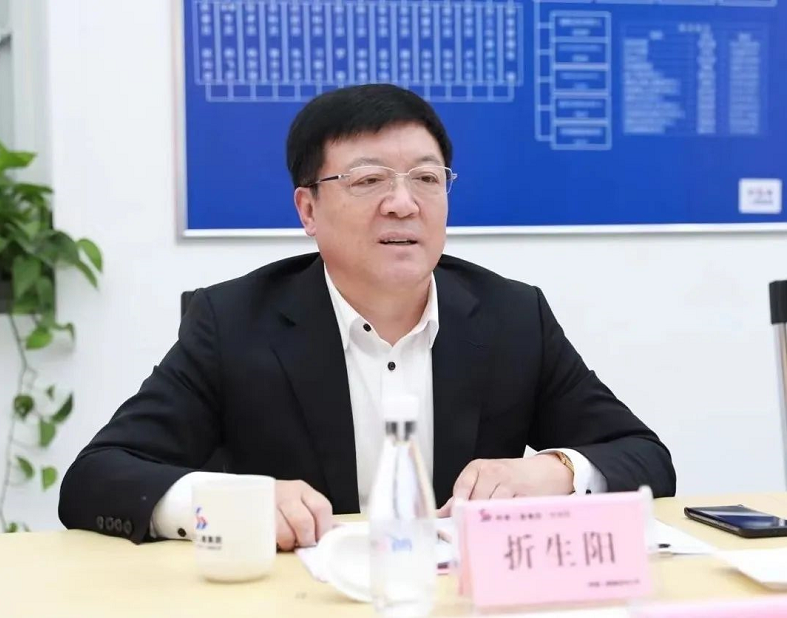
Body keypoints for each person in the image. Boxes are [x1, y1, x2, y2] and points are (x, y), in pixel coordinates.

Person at [59, 84, 676, 549]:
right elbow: (95, 478)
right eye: (369, 180)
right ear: (308, 209)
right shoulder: (234, 321)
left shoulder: (513, 315)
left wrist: (557, 471)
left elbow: (645, 457)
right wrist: (227, 503)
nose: (403, 203)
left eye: (426, 178)